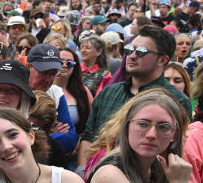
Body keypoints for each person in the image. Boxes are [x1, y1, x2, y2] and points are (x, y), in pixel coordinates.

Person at [79, 25, 191, 168]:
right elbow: (89, 137)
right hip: (96, 175)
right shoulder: (109, 92)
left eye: (141, 52)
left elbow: (177, 149)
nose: (131, 56)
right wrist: (83, 170)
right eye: (130, 49)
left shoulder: (177, 100)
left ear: (162, 60)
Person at [56, 46, 93, 138]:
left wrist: (81, 140)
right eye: (60, 61)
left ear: (74, 67)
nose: (64, 65)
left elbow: (92, 122)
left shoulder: (83, 91)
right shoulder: (43, 88)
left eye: (70, 63)